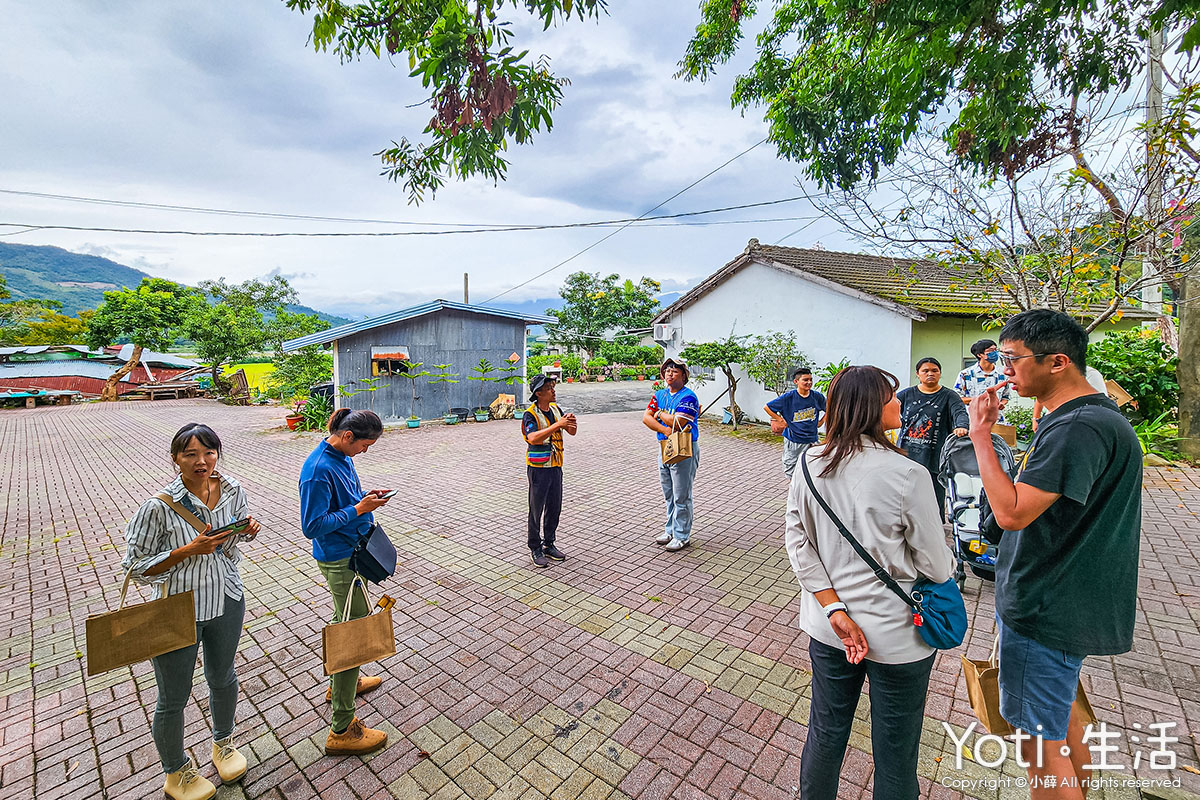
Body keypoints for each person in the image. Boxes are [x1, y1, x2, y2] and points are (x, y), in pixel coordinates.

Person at [968, 309, 1141, 799]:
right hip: (1070, 597)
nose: (1004, 371)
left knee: (1038, 745)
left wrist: (981, 434)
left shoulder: (1076, 428)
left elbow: (1012, 512)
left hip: (1046, 602)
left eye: (1011, 359)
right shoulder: (1096, 417)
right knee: (1060, 718)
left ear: (1058, 361)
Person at [785, 366, 954, 800]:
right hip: (897, 636)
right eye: (892, 398)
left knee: (825, 731)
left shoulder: (809, 463)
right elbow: (936, 567)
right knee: (896, 750)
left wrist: (835, 609)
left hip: (829, 628)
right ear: (872, 409)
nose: (900, 403)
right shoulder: (908, 474)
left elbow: (798, 542)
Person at [123, 423, 260, 800]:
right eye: (190, 455)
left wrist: (245, 531)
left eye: (209, 452)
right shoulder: (158, 507)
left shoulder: (233, 489)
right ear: (175, 459)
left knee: (223, 677)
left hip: (227, 598)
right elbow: (134, 567)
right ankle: (176, 771)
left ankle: (223, 744)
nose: (202, 462)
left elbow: (231, 546)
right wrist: (186, 550)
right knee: (173, 696)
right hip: (175, 607)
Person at [299, 408, 391, 757]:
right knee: (352, 635)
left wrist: (366, 497)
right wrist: (359, 509)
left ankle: (342, 683)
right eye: (365, 445)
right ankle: (342, 727)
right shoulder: (318, 470)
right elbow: (312, 525)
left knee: (345, 623)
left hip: (353, 552)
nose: (364, 452)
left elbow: (347, 499)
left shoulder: (340, 457)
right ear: (348, 436)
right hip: (339, 558)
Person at [896, 357, 969, 519]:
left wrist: (961, 426)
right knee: (904, 494)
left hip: (934, 456)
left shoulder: (949, 396)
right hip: (906, 454)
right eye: (925, 371)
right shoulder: (907, 394)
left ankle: (934, 527)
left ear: (940, 373)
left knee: (933, 496)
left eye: (934, 370)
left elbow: (960, 413)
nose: (930, 374)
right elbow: (887, 407)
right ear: (918, 374)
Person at [642, 356, 700, 552]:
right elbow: (645, 418)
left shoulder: (688, 397)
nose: (670, 373)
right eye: (667, 370)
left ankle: (682, 535)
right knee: (669, 493)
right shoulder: (659, 394)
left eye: (675, 371)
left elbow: (680, 422)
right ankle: (670, 530)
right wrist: (665, 428)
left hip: (684, 448)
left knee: (681, 494)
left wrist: (659, 415)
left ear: (683, 375)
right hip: (665, 446)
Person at [522, 374, 577, 567]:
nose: (553, 391)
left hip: (556, 465)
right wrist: (557, 425)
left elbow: (571, 431)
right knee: (536, 508)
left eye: (553, 387)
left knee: (554, 506)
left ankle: (549, 543)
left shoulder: (555, 409)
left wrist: (570, 423)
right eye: (549, 388)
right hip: (539, 468)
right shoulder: (530, 413)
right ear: (538, 393)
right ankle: (535, 547)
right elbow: (533, 438)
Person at [763, 366, 826, 479]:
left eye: (810, 379)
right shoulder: (788, 397)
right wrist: (780, 420)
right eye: (805, 380)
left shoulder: (817, 397)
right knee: (791, 468)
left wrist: (821, 421)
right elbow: (767, 407)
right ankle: (794, 490)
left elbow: (830, 409)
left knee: (814, 466)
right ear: (796, 382)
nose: (809, 382)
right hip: (794, 440)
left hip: (812, 439)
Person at [954, 338, 1012, 423]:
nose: (995, 353)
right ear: (980, 354)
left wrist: (1002, 403)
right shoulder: (966, 374)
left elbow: (1005, 397)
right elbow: (958, 399)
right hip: (973, 421)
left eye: (996, 350)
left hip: (996, 420)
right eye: (991, 350)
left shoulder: (1003, 374)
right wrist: (979, 399)